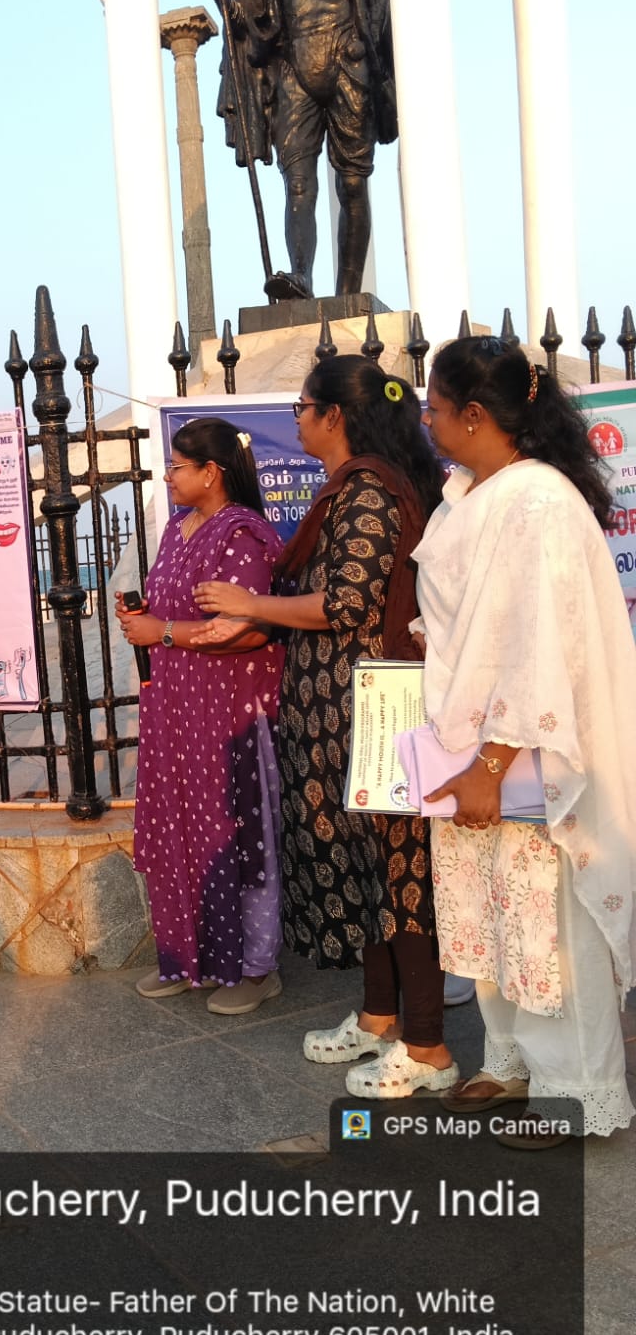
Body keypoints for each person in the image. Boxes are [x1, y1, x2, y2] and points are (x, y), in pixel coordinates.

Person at [197, 358, 454, 1096]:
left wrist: (250, 605)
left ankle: (428, 1046)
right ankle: (378, 1018)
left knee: (399, 873)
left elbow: (346, 603)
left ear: (335, 415)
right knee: (368, 873)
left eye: (303, 408)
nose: (298, 421)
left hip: (373, 713)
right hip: (336, 712)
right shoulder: (347, 486)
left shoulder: (369, 490)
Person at [414, 336, 636, 1146]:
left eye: (436, 408)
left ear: (475, 415)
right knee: (495, 914)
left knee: (550, 923)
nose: (427, 421)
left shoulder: (536, 501)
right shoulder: (469, 495)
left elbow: (540, 646)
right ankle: (511, 1060)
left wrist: (492, 761)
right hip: (466, 746)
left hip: (525, 754)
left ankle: (577, 1088)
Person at [116, 420, 285, 1014]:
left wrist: (161, 631)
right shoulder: (175, 528)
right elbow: (176, 614)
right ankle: (187, 958)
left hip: (225, 711)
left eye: (177, 466)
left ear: (211, 472)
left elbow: (247, 630)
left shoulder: (242, 534)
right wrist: (146, 618)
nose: (168, 476)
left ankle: (254, 968)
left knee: (232, 831)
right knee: (178, 827)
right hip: (175, 707)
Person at [204, 0, 395, 297]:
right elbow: (249, 23)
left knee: (352, 182)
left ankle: (349, 292)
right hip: (294, 68)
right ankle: (301, 275)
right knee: (298, 183)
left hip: (350, 60)